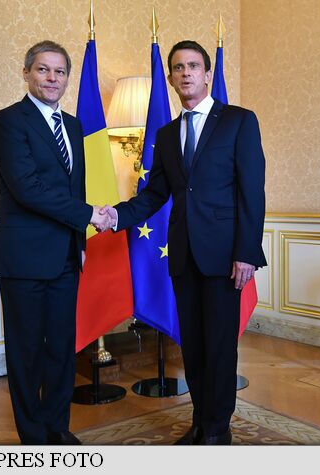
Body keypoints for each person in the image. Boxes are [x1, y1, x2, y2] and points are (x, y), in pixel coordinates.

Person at [102, 40, 267, 445]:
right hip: (183, 256)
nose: (186, 73)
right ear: (171, 78)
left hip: (225, 258)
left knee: (219, 348)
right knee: (192, 348)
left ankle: (218, 432)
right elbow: (154, 195)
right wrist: (115, 216)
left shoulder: (239, 121)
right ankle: (200, 423)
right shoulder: (166, 134)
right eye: (178, 67)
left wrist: (246, 252)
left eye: (193, 66)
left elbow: (252, 192)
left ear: (207, 74)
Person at [0, 40, 111, 445]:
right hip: (23, 257)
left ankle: (57, 428)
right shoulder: (8, 121)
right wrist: (89, 215)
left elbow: (76, 187)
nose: (52, 78)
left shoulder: (73, 125)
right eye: (43, 69)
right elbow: (27, 188)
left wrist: (81, 241)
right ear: (26, 73)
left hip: (65, 256)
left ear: (67, 78)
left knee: (61, 349)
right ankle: (34, 438)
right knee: (27, 353)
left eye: (59, 71)